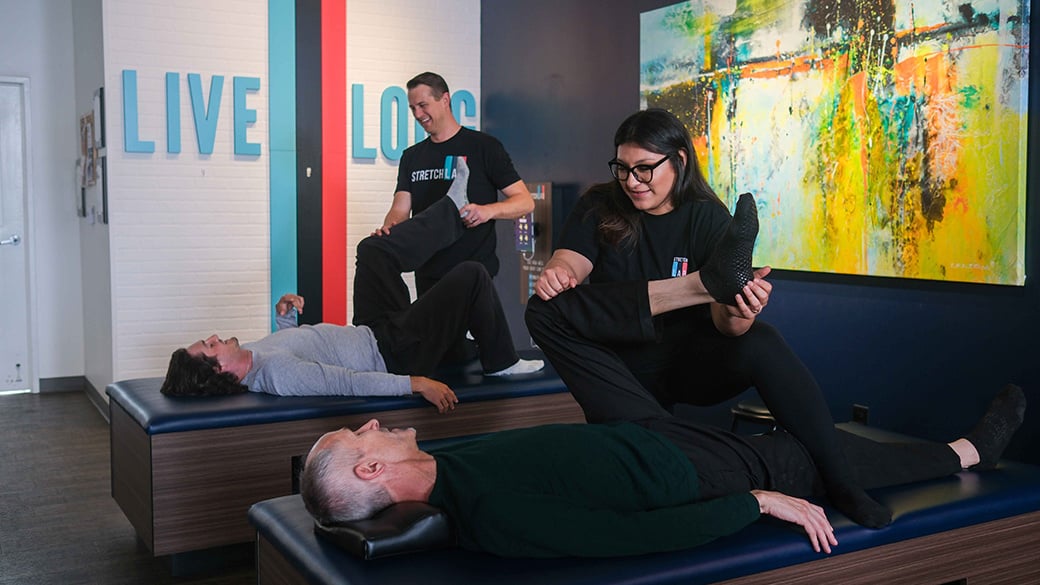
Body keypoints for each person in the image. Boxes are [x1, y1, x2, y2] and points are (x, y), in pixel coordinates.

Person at [523, 108, 887, 529]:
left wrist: (741, 308)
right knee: (547, 307)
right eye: (622, 169)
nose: (631, 181)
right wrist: (559, 272)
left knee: (760, 339)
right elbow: (573, 260)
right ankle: (702, 282)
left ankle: (843, 484)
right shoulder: (600, 204)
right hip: (619, 372)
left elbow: (727, 327)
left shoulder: (707, 218)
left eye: (645, 169)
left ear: (678, 160)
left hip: (686, 361)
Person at [300, 384, 1026, 558]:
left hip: (654, 436)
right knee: (817, 452)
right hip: (694, 474)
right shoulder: (491, 515)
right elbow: (631, 538)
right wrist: (757, 501)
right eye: (361, 431)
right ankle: (968, 452)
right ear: (371, 465)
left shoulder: (436, 461)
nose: (374, 421)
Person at [160, 161, 543, 411]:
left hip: (373, 331)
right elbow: (345, 381)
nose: (213, 336)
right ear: (223, 373)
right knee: (471, 274)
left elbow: (303, 349)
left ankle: (449, 209)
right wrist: (415, 384)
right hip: (395, 354)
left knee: (373, 249)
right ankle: (501, 363)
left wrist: (286, 320)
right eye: (209, 346)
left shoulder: (252, 355)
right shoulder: (278, 375)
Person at [375, 71, 535, 361]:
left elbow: (525, 202)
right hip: (428, 274)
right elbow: (400, 209)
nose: (418, 114)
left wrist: (487, 211)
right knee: (441, 358)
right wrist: (390, 230)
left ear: (445, 99)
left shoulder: (483, 147)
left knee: (473, 357)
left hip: (473, 272)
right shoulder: (412, 157)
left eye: (423, 105)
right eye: (412, 108)